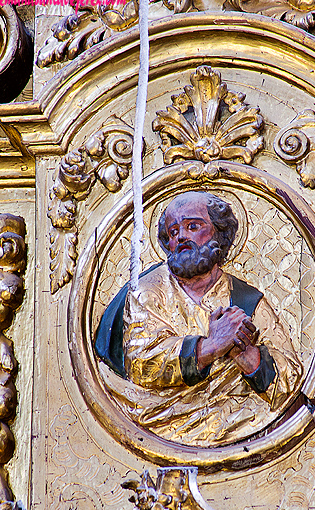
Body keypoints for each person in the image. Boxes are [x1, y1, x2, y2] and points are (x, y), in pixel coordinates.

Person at [95, 191, 303, 446]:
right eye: (173, 232)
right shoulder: (148, 290)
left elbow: (289, 382)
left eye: (192, 226)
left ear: (218, 232)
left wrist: (247, 356)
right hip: (155, 426)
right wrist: (212, 347)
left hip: (238, 431)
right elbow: (141, 362)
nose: (181, 237)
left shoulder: (247, 300)